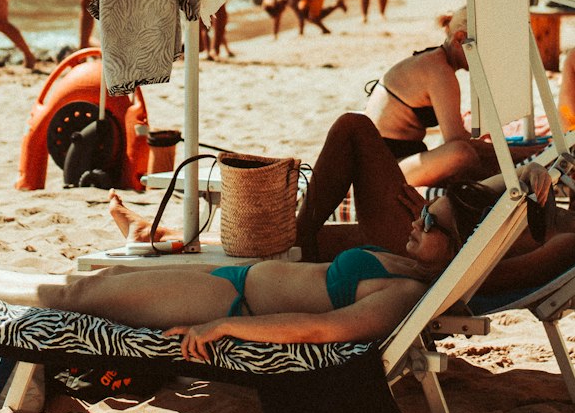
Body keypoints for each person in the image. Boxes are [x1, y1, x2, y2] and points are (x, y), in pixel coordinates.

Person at [0, 169, 507, 353]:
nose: (418, 223)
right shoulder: (402, 267)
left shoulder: (406, 298)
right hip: (234, 278)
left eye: (432, 225)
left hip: (228, 302)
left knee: (77, 300)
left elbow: (322, 330)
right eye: (424, 213)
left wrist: (226, 326)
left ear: (456, 250)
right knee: (97, 278)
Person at [104, 113, 572, 301]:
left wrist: (437, 236)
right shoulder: (558, 206)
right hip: (429, 225)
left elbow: (487, 277)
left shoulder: (566, 241)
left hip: (430, 247)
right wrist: (530, 172)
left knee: (353, 129)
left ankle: (295, 233)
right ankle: (162, 238)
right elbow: (490, 192)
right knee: (305, 246)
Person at [362, 6, 496, 186]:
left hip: (395, 159)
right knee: (462, 153)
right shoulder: (440, 72)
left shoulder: (434, 59)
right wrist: (517, 153)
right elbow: (457, 140)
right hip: (383, 169)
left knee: (469, 151)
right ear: (460, 39)